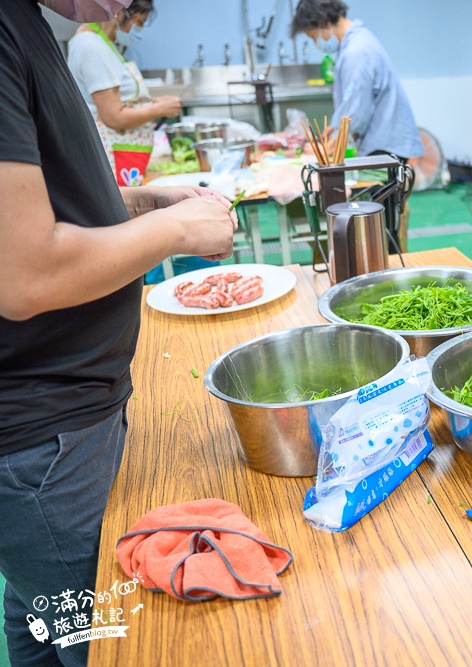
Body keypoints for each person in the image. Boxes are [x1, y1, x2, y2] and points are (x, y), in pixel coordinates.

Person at [0, 1, 237, 664]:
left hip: (67, 423)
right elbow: (23, 276)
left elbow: (42, 203)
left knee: (40, 615)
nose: (118, 7)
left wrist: (135, 201)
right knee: (103, 638)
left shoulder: (30, 29)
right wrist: (177, 231)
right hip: (42, 440)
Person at [290, 0, 424, 162]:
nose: (316, 43)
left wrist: (327, 150)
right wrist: (334, 128)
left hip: (385, 147)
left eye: (313, 37)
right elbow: (352, 99)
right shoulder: (356, 42)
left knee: (371, 187)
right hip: (383, 142)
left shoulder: (356, 51)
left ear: (323, 23)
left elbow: (357, 110)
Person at [66, 0, 181, 186]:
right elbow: (113, 116)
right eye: (139, 22)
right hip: (112, 156)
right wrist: (160, 109)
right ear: (120, 12)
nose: (139, 30)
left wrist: (151, 104)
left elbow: (115, 100)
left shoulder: (101, 44)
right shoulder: (93, 48)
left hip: (122, 154)